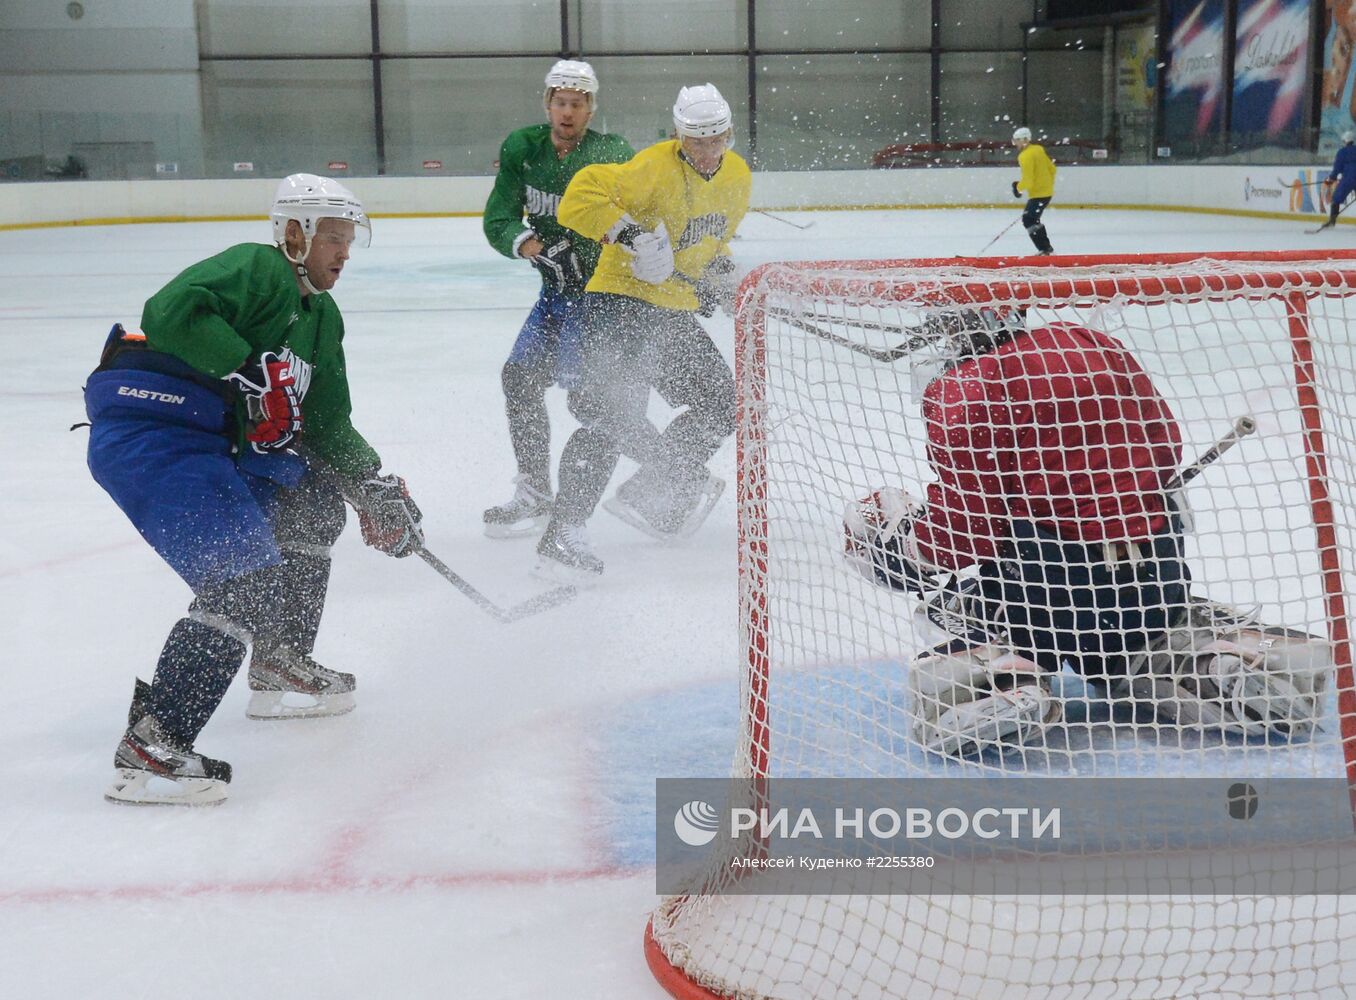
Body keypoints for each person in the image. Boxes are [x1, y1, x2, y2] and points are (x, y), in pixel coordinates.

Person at [842, 308, 1328, 757]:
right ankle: (1210, 667)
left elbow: (970, 527)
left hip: (1047, 584)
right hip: (1154, 567)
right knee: (1149, 640)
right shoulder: (1087, 339)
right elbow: (1164, 443)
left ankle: (1004, 683)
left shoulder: (963, 387)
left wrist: (901, 546)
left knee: (953, 610)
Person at [84, 174, 424, 806]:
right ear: (293, 234)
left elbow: (322, 424)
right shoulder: (260, 269)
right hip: (156, 432)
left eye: (349, 241)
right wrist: (243, 365)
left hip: (217, 444)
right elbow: (169, 311)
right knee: (242, 577)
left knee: (312, 503)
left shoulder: (321, 317)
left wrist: (371, 485)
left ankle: (278, 658)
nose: (344, 253)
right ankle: (152, 745)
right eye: (333, 239)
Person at [534, 83, 751, 578]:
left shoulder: (736, 176)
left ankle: (656, 492)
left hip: (671, 311)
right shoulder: (652, 168)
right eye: (696, 140)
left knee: (721, 401)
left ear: (729, 134)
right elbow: (578, 199)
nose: (707, 151)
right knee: (612, 414)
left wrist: (721, 278)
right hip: (619, 302)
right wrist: (628, 235)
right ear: (678, 134)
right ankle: (563, 534)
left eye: (717, 138)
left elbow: (711, 242)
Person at [481, 59, 636, 537]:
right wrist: (531, 246)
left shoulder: (611, 152)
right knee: (520, 380)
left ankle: (674, 469)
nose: (567, 112)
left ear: (592, 109)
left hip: (601, 297)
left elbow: (633, 219)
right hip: (556, 294)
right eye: (560, 102)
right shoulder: (522, 148)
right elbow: (499, 216)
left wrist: (593, 248)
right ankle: (534, 490)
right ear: (547, 103)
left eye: (578, 104)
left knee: (593, 403)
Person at [1010, 127, 1057, 256]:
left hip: (1038, 194)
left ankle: (1045, 249)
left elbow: (1028, 179)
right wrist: (1047, 184)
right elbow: (1052, 169)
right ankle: (1046, 248)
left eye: (1016, 141)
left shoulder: (1025, 156)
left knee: (1028, 219)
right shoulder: (1038, 149)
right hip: (1046, 192)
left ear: (1023, 140)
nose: (1016, 145)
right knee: (1032, 219)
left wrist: (1017, 188)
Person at [1320, 130, 1356, 230]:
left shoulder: (1342, 152)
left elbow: (1337, 168)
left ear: (1345, 140)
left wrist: (1331, 179)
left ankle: (1332, 222)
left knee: (1336, 199)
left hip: (1348, 179)